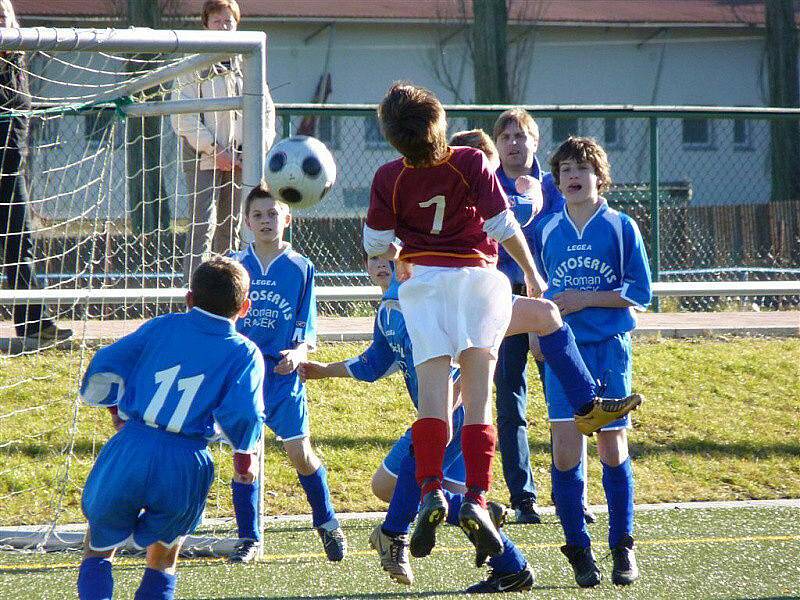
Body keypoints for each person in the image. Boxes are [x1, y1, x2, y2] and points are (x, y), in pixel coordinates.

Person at [363, 83, 642, 563]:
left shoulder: (388, 175)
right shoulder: (469, 163)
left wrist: (389, 259)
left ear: (393, 137)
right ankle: (475, 496)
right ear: (439, 122)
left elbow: (375, 244)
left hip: (423, 293)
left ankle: (430, 489)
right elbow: (502, 225)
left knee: (433, 404)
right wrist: (532, 273)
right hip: (474, 284)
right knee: (482, 399)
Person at [300, 256, 535, 593]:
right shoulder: (388, 310)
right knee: (449, 502)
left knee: (387, 486)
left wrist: (457, 396)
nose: (383, 263)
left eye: (392, 256)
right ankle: (511, 567)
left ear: (409, 260)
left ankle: (393, 535)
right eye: (374, 256)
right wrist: (324, 370)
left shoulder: (428, 296)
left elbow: (475, 346)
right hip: (440, 421)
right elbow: (374, 363)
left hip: (449, 419)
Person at [76, 257, 265, 600]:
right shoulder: (245, 352)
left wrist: (116, 411)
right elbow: (246, 412)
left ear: (189, 298)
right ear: (246, 306)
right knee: (163, 559)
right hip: (185, 460)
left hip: (132, 446)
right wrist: (243, 456)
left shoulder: (161, 326)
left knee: (98, 549)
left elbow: (104, 363)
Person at [451, 125, 596, 526]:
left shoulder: (554, 184)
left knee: (565, 402)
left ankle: (573, 496)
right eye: (506, 136)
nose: (513, 143)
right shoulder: (482, 177)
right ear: (495, 148)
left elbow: (562, 231)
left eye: (521, 135)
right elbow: (500, 226)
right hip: (498, 298)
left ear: (535, 142)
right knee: (507, 399)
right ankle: (523, 497)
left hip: (549, 296)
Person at [532, 137, 652, 587]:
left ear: (600, 177)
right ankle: (578, 550)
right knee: (566, 451)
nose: (573, 175)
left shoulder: (621, 227)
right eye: (565, 169)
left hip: (608, 349)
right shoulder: (546, 230)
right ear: (557, 180)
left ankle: (622, 546)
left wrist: (584, 300)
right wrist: (535, 333)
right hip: (565, 353)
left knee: (611, 447)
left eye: (582, 167)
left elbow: (640, 292)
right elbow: (539, 291)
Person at [230, 183, 346, 563]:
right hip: (243, 377)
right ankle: (248, 538)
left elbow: (306, 327)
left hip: (282, 377)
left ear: (288, 218)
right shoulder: (233, 265)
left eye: (273, 214)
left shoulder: (300, 267)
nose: (266, 220)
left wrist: (297, 354)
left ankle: (327, 522)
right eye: (258, 215)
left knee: (300, 454)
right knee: (244, 457)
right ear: (247, 222)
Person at [170, 0, 276, 285]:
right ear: (206, 25)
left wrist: (253, 151)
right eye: (217, 21)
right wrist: (215, 150)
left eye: (228, 21)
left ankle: (226, 292)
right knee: (202, 226)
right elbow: (183, 117)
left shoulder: (249, 63)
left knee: (231, 228)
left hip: (242, 161)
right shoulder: (192, 63)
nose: (224, 26)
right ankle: (194, 294)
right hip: (203, 158)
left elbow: (267, 114)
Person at [0, 0, 72, 343]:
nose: (0, 20)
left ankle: (35, 325)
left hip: (10, 174)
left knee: (21, 242)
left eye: (3, 15)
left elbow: (20, 123)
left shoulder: (17, 68)